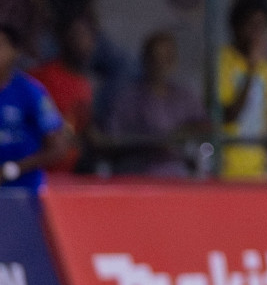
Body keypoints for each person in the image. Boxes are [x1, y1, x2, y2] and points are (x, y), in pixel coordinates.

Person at [107, 31, 207, 177]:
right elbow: (111, 141)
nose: (160, 64)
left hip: (180, 175)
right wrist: (149, 143)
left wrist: (183, 132)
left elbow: (207, 126)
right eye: (155, 58)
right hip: (139, 176)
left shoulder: (185, 96)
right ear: (145, 59)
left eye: (167, 58)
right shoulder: (128, 98)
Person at [0, 22, 71, 191]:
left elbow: (58, 147)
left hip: (24, 193)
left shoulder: (30, 91)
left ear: (15, 52)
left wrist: (13, 169)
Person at [218, 0, 267, 180]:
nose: (256, 32)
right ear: (235, 26)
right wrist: (251, 70)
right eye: (250, 25)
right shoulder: (222, 61)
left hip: (258, 170)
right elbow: (229, 116)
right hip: (225, 169)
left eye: (260, 26)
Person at [29, 11, 96, 173]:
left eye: (86, 35)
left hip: (70, 175)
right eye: (76, 34)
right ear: (62, 38)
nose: (81, 41)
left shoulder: (86, 84)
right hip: (38, 173)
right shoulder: (40, 77)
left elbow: (80, 131)